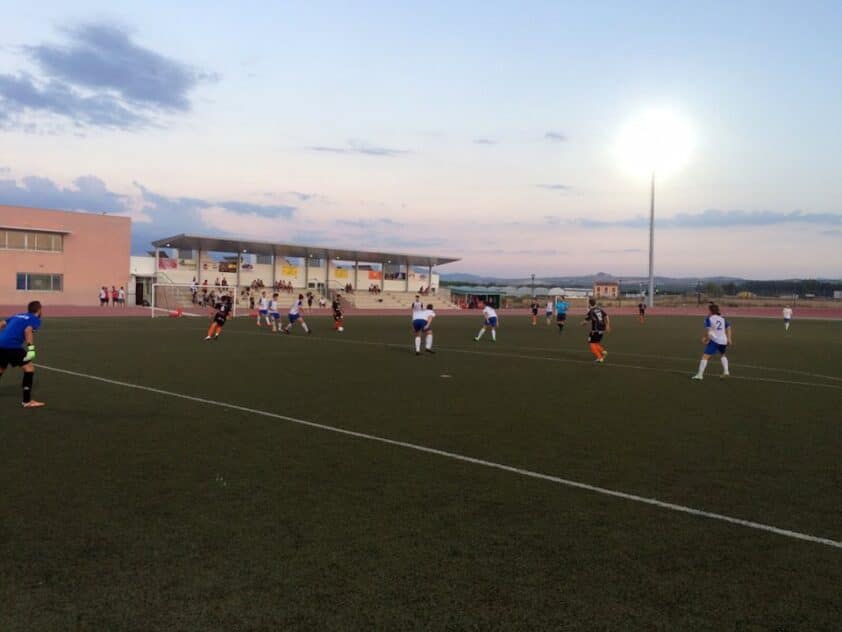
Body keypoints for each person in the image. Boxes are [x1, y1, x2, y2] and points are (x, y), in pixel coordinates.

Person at [0, 301, 45, 408]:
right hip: (13, 346)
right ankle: (26, 401)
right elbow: (28, 331)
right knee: (29, 369)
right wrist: (31, 349)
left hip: (0, 344)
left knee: (1, 368)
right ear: (39, 310)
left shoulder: (18, 315)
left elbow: (1, 323)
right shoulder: (35, 319)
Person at [692, 303, 731, 380]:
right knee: (722, 354)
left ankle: (700, 375)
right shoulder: (722, 318)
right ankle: (726, 371)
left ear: (710, 311)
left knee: (705, 357)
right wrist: (729, 338)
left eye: (708, 310)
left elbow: (709, 331)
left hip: (715, 340)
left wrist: (706, 339)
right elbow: (729, 327)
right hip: (723, 340)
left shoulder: (708, 319)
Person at [582, 298, 610, 362]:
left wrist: (582, 323)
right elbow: (606, 316)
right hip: (602, 329)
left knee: (592, 344)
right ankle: (603, 351)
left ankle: (600, 357)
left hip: (595, 330)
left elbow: (585, 321)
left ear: (589, 303)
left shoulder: (591, 311)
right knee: (596, 343)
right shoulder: (599, 309)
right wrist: (608, 325)